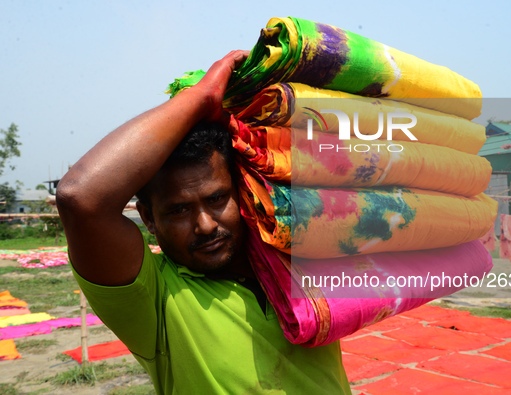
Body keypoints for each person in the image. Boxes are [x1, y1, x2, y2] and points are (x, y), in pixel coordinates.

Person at [56, 51, 352, 394]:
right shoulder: (154, 297)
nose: (205, 225)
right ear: (149, 218)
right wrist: (200, 98)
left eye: (216, 199)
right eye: (179, 210)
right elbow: (80, 199)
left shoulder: (296, 256)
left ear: (241, 191)